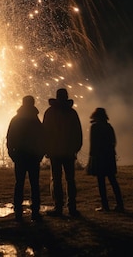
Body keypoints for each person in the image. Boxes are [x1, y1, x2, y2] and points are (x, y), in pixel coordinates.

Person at [42, 88, 83, 217]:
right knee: (70, 179)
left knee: (56, 179)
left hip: (55, 152)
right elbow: (78, 133)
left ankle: (58, 207)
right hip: (69, 152)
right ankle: (72, 207)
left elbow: (45, 132)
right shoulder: (72, 113)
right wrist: (75, 148)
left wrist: (46, 149)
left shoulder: (50, 112)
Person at [6, 95, 45, 222]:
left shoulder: (16, 119)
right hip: (32, 157)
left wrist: (12, 154)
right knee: (34, 184)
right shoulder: (35, 120)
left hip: (21, 156)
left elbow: (10, 138)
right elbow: (41, 138)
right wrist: (40, 154)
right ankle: (35, 211)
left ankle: (18, 210)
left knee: (20, 183)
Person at [86, 107, 124, 213]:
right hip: (109, 156)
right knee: (113, 180)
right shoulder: (108, 126)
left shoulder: (94, 127)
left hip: (99, 157)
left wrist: (91, 158)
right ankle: (120, 204)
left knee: (101, 182)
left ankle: (105, 205)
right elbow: (113, 142)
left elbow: (93, 144)